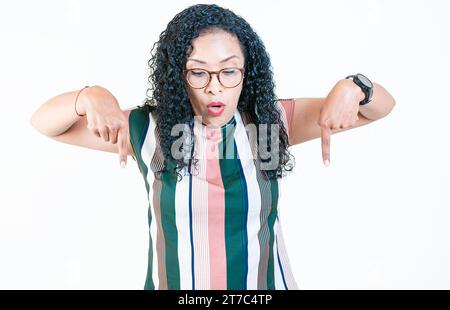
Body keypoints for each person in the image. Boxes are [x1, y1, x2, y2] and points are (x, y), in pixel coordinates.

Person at [30, 4, 396, 290]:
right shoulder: (148, 129)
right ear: (178, 74)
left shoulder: (271, 122)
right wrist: (87, 96)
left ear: (246, 73)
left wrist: (356, 87)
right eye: (198, 72)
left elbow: (381, 108)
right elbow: (46, 123)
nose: (215, 87)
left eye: (229, 71)